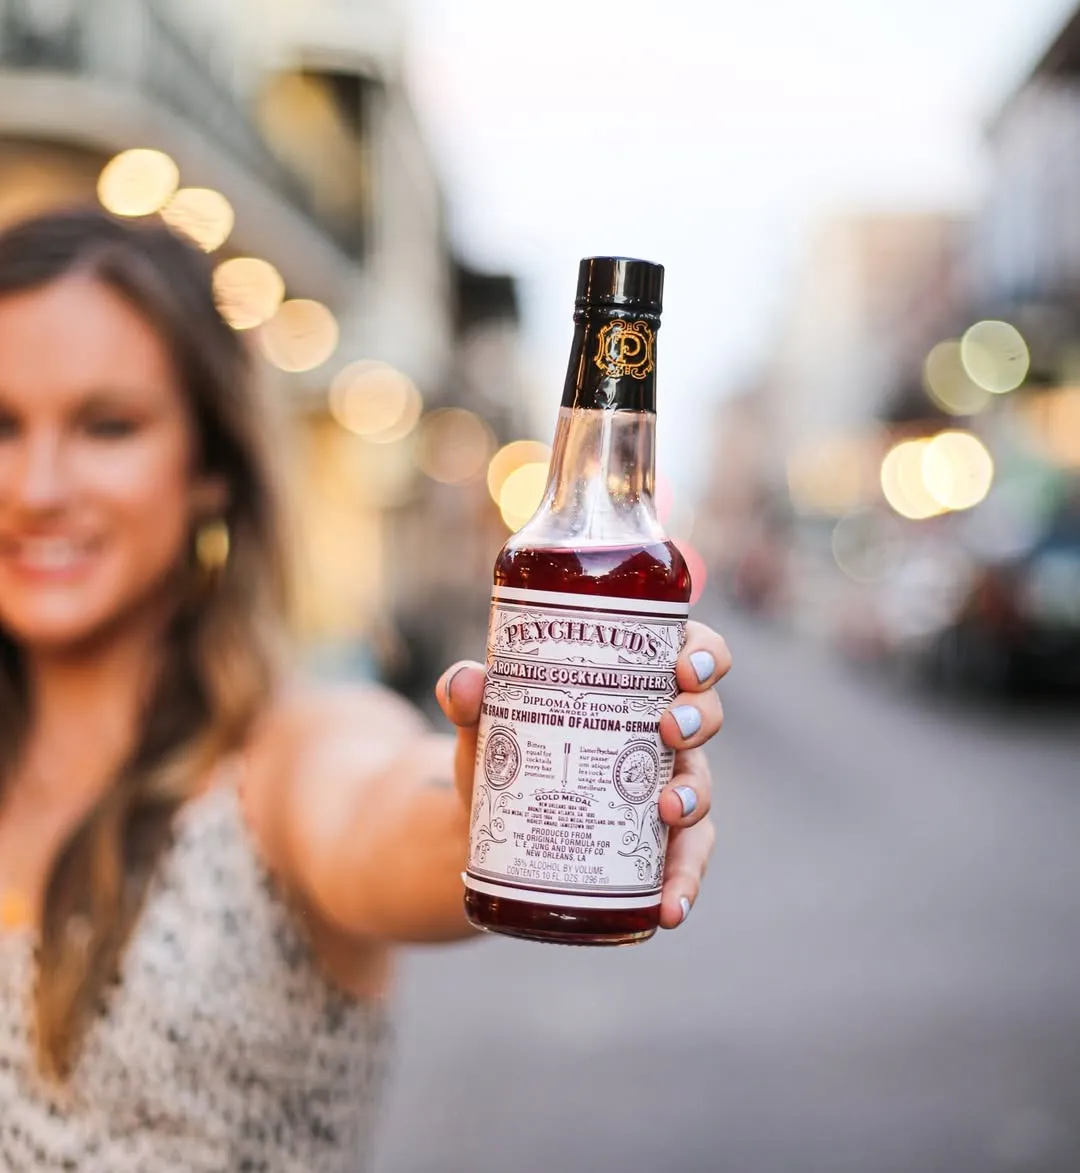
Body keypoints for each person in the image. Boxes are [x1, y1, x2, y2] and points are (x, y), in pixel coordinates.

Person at [0, 206, 729, 1172]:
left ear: (211, 469)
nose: (39, 484)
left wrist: (497, 803)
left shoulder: (290, 751)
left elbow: (391, 811)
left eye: (107, 426)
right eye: (1, 424)